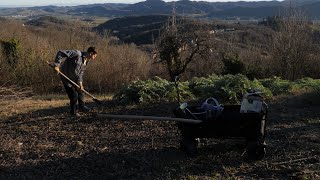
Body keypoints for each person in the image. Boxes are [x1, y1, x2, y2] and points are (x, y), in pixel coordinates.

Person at [53, 46, 97, 117]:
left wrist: (80, 84)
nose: (95, 57)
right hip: (66, 77)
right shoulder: (77, 54)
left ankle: (82, 107)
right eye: (95, 55)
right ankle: (73, 112)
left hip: (75, 79)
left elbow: (81, 73)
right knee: (74, 95)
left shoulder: (86, 61)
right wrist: (57, 65)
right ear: (91, 53)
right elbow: (60, 53)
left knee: (81, 91)